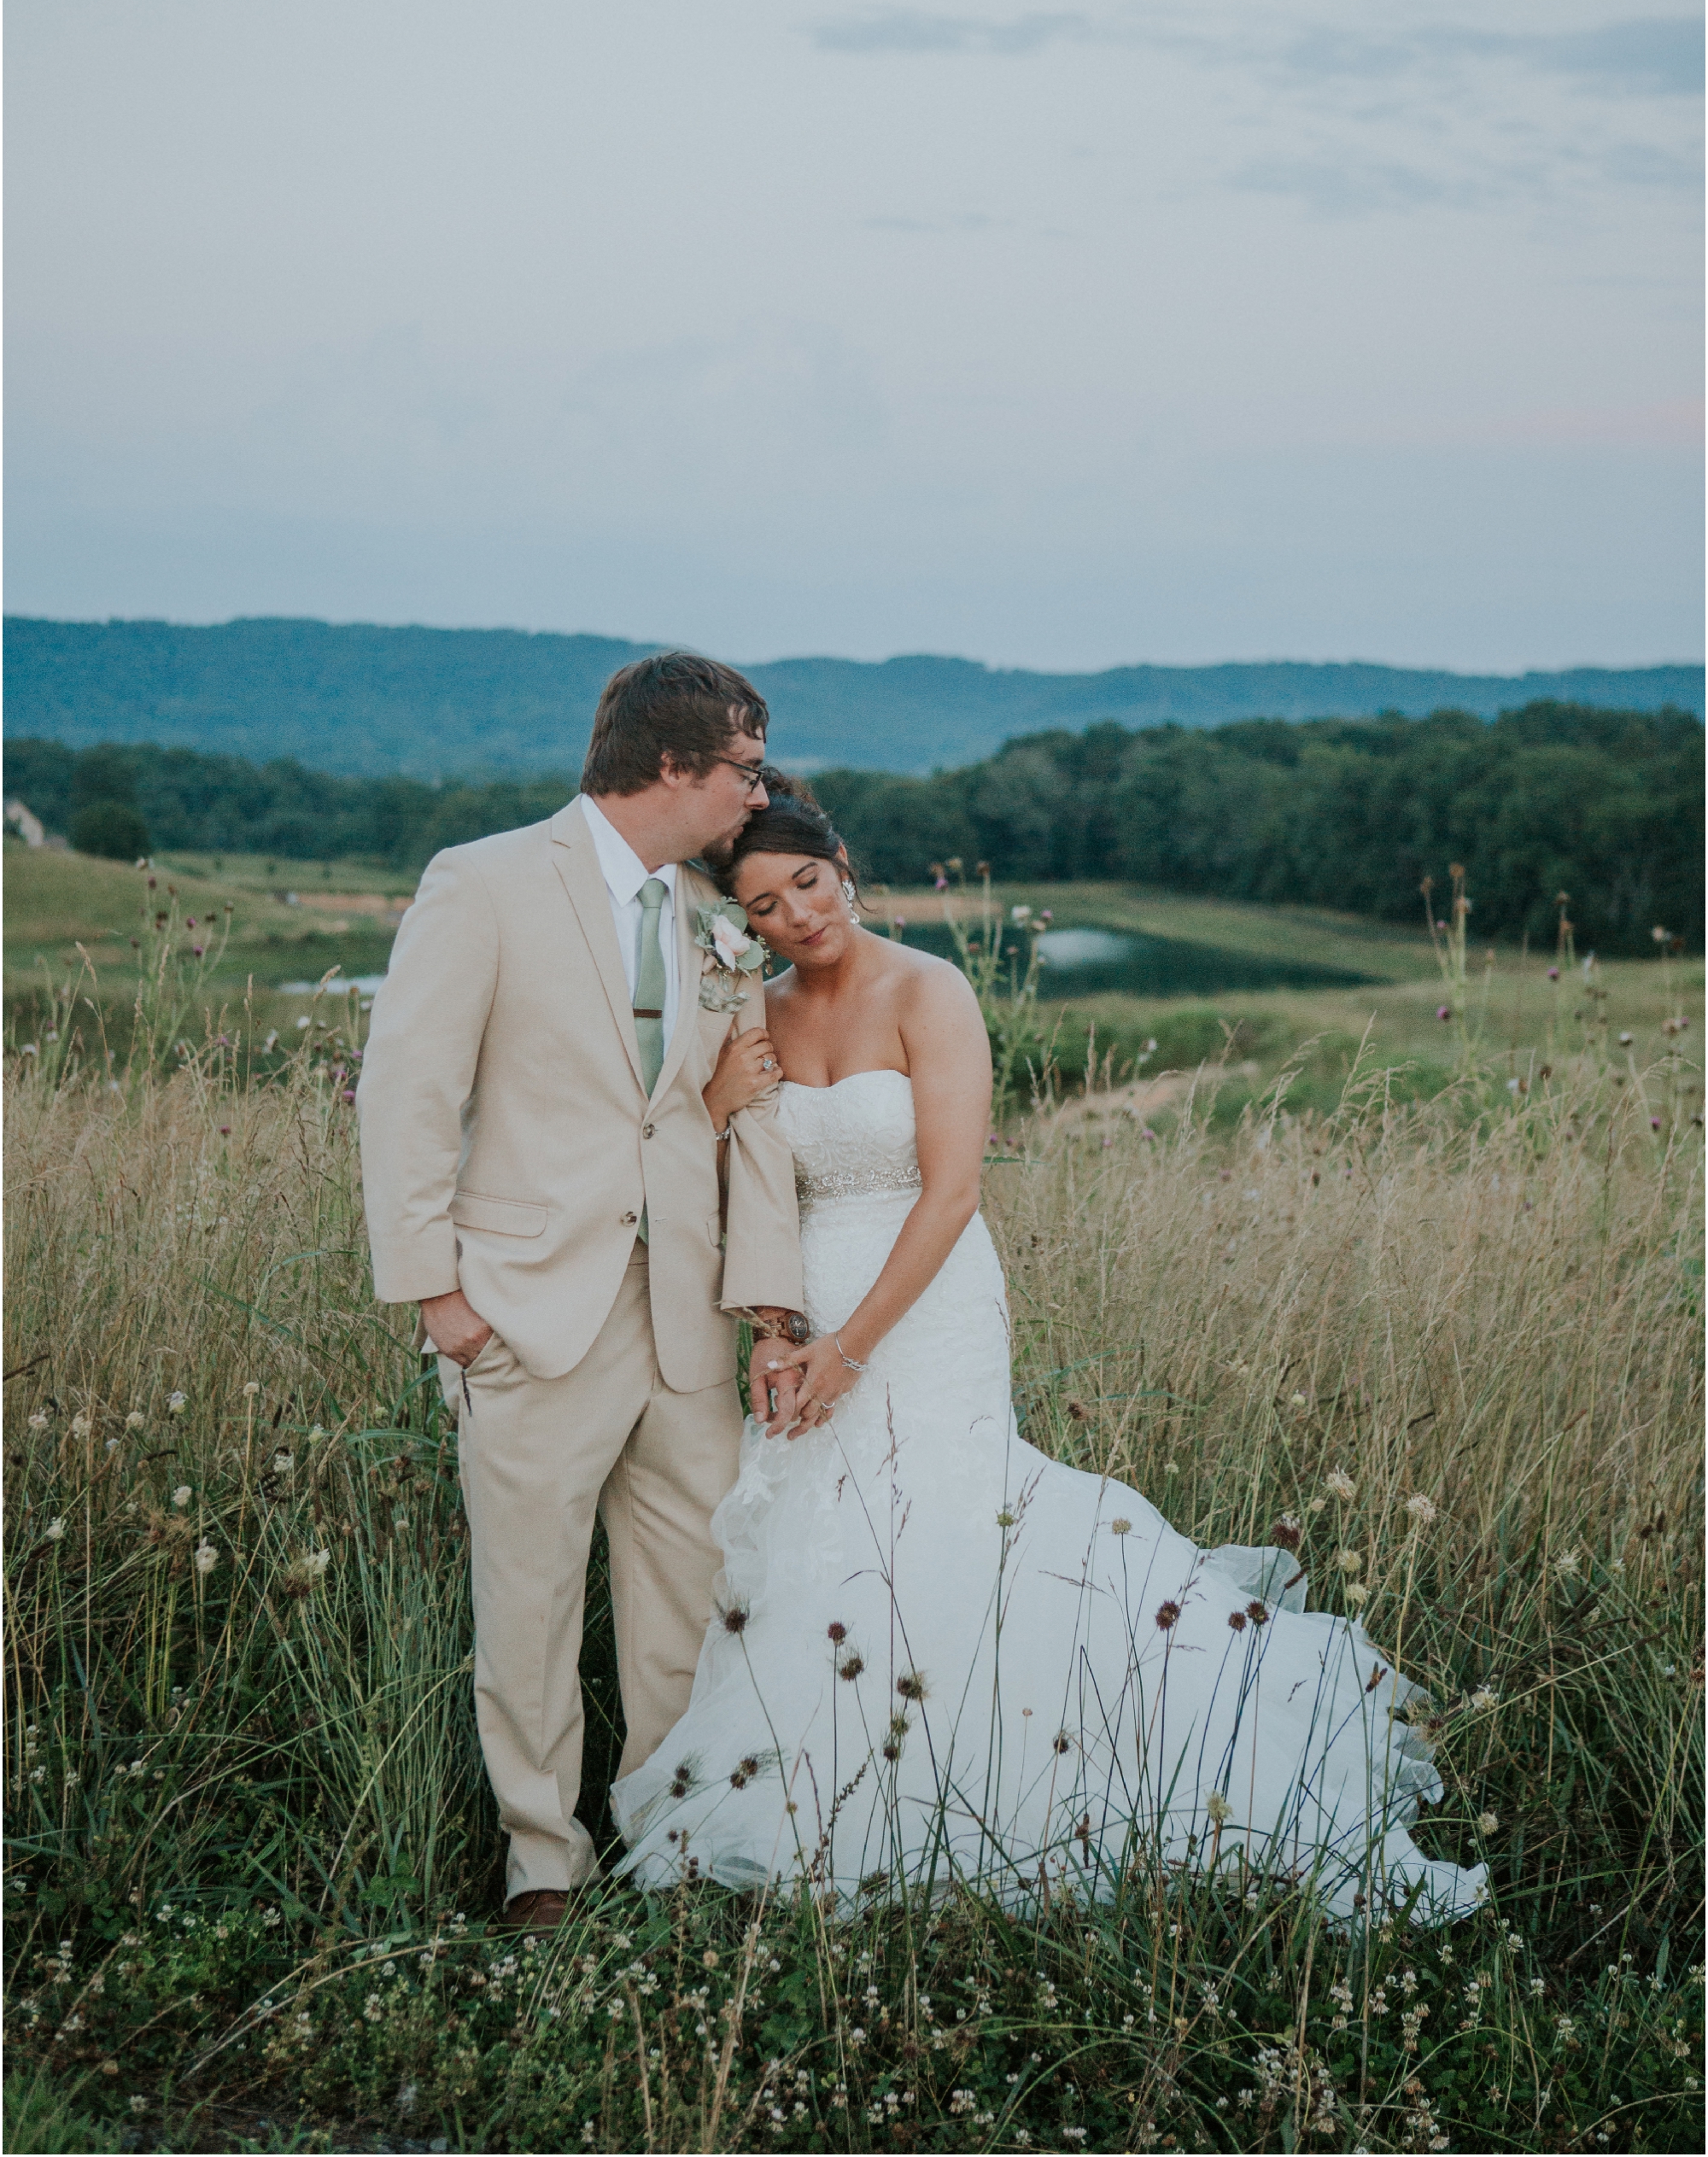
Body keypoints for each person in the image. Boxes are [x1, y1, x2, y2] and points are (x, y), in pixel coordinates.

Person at [611, 779, 1488, 1923]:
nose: (797, 917)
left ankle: (1014, 1785)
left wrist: (852, 1350)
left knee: (952, 1513)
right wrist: (779, 1317)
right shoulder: (756, 1015)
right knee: (821, 1530)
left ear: (845, 863)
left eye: (808, 883)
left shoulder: (933, 990)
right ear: (745, 922)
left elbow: (953, 1187)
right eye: (765, 906)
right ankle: (837, 1789)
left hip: (926, 1302)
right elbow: (756, 1189)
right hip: (809, 1301)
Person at [357, 653, 804, 1929]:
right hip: (526, 1310)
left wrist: (770, 1305)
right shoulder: (484, 881)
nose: (756, 791)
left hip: (682, 1318)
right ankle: (541, 1860)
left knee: (686, 1601)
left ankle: (669, 1841)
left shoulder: (716, 926)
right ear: (673, 765)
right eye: (744, 766)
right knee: (532, 1600)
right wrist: (438, 1295)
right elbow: (407, 1093)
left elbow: (748, 1120)